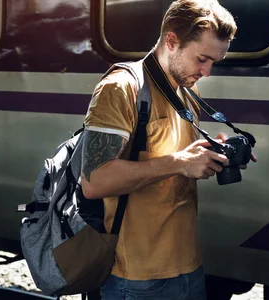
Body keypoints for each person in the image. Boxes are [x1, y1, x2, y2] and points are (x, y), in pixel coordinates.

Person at [80, 0, 257, 299]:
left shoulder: (187, 92)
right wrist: (179, 163)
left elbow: (178, 160)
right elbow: (94, 182)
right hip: (136, 276)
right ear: (172, 41)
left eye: (214, 61)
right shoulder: (122, 87)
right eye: (202, 59)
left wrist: (210, 154)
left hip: (188, 266)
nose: (207, 71)